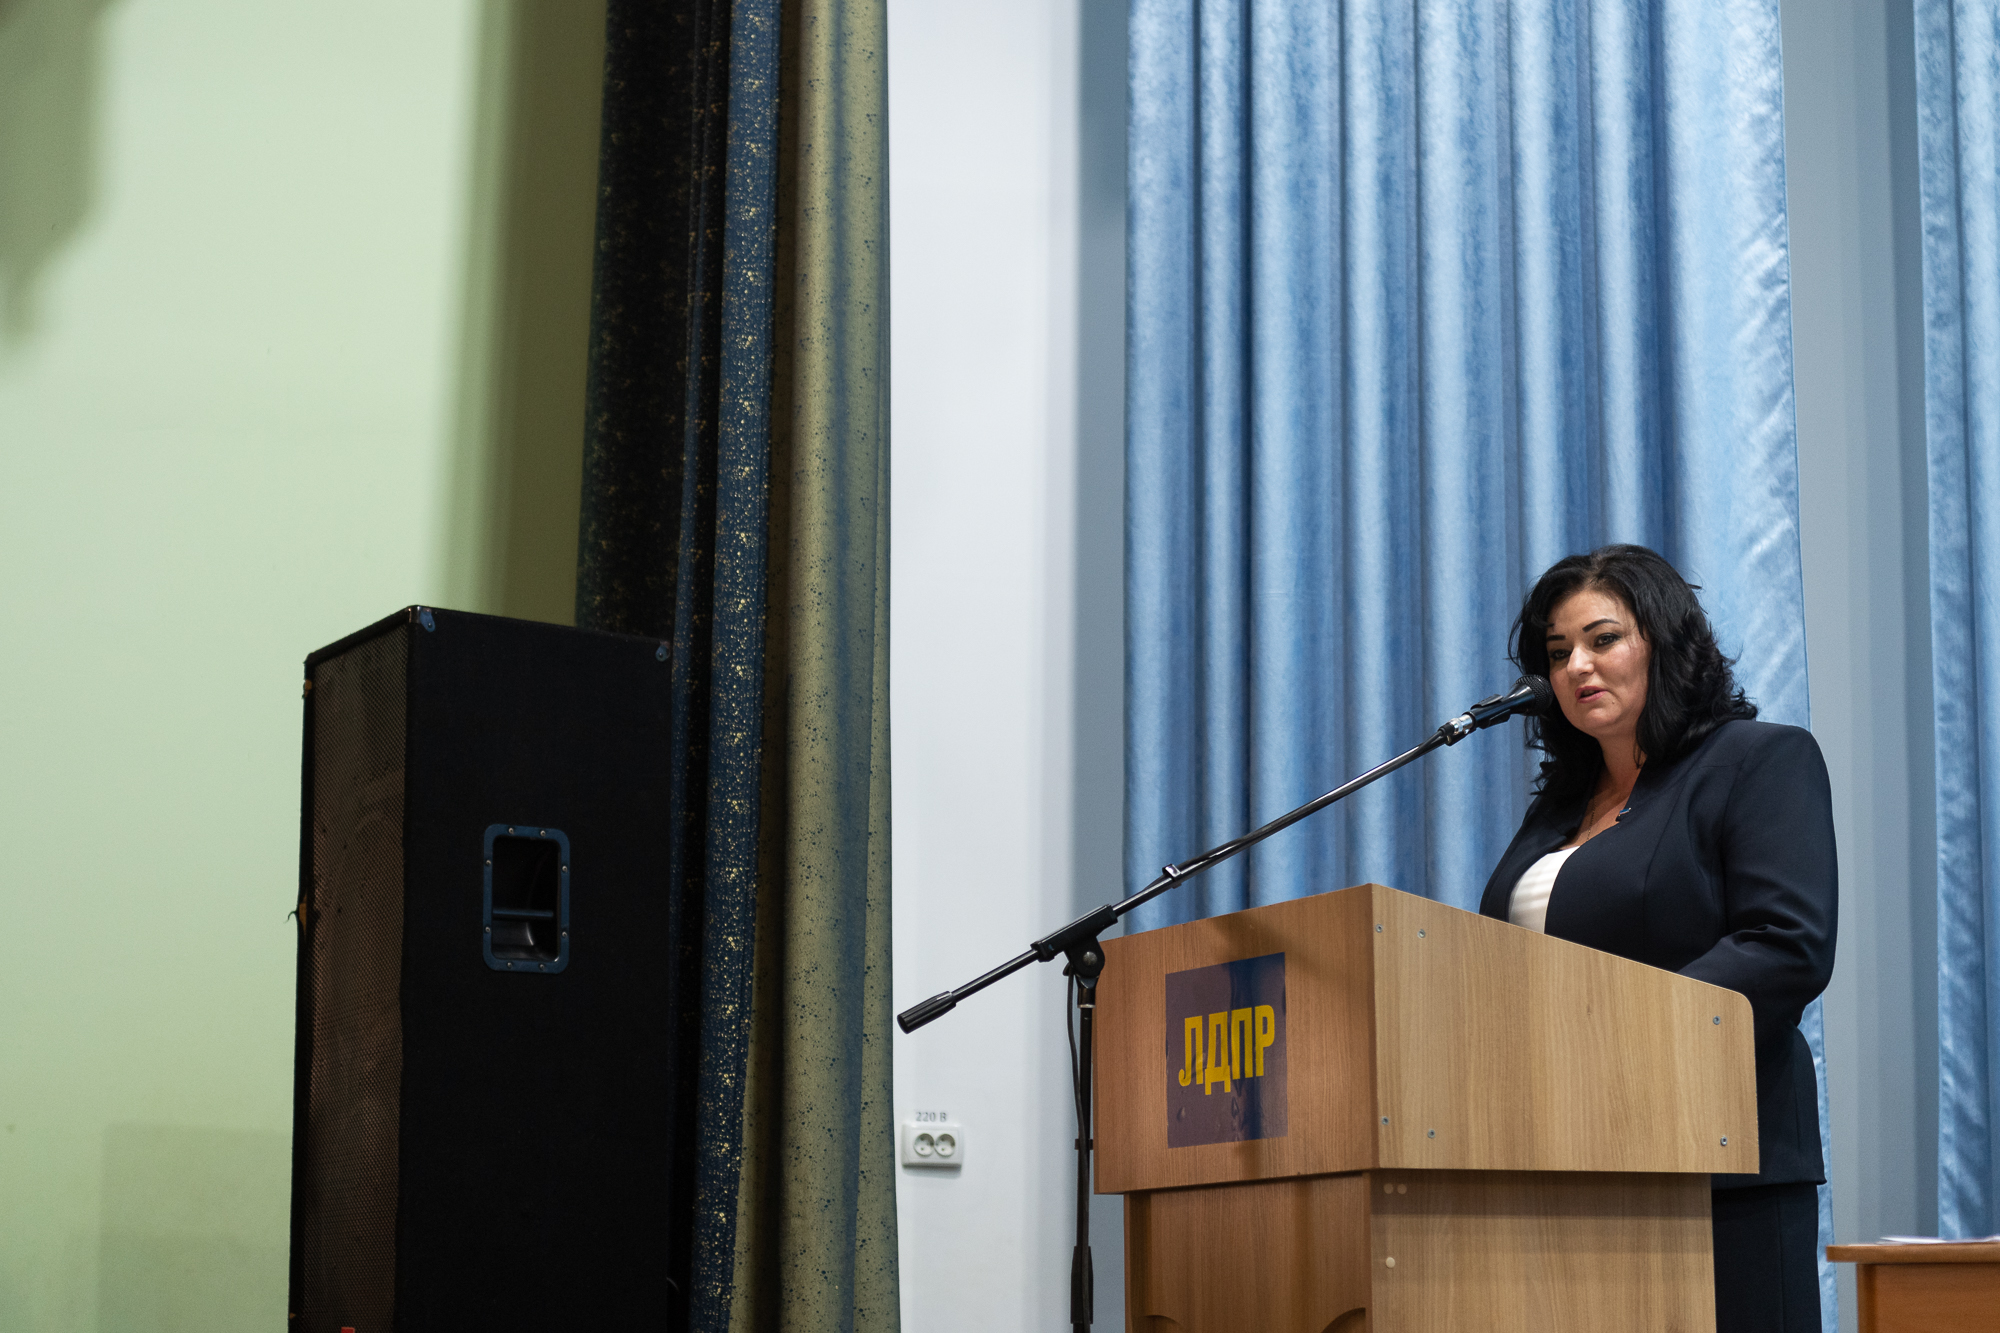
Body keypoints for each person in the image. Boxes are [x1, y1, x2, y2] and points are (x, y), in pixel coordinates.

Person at [1479, 544, 1836, 1333]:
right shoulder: (1556, 811)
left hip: (1719, 1164)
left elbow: (1785, 943)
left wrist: (1610, 1040)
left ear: (1663, 643)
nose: (1577, 665)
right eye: (1557, 652)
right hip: (1566, 1165)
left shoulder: (1756, 760)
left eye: (1603, 638)